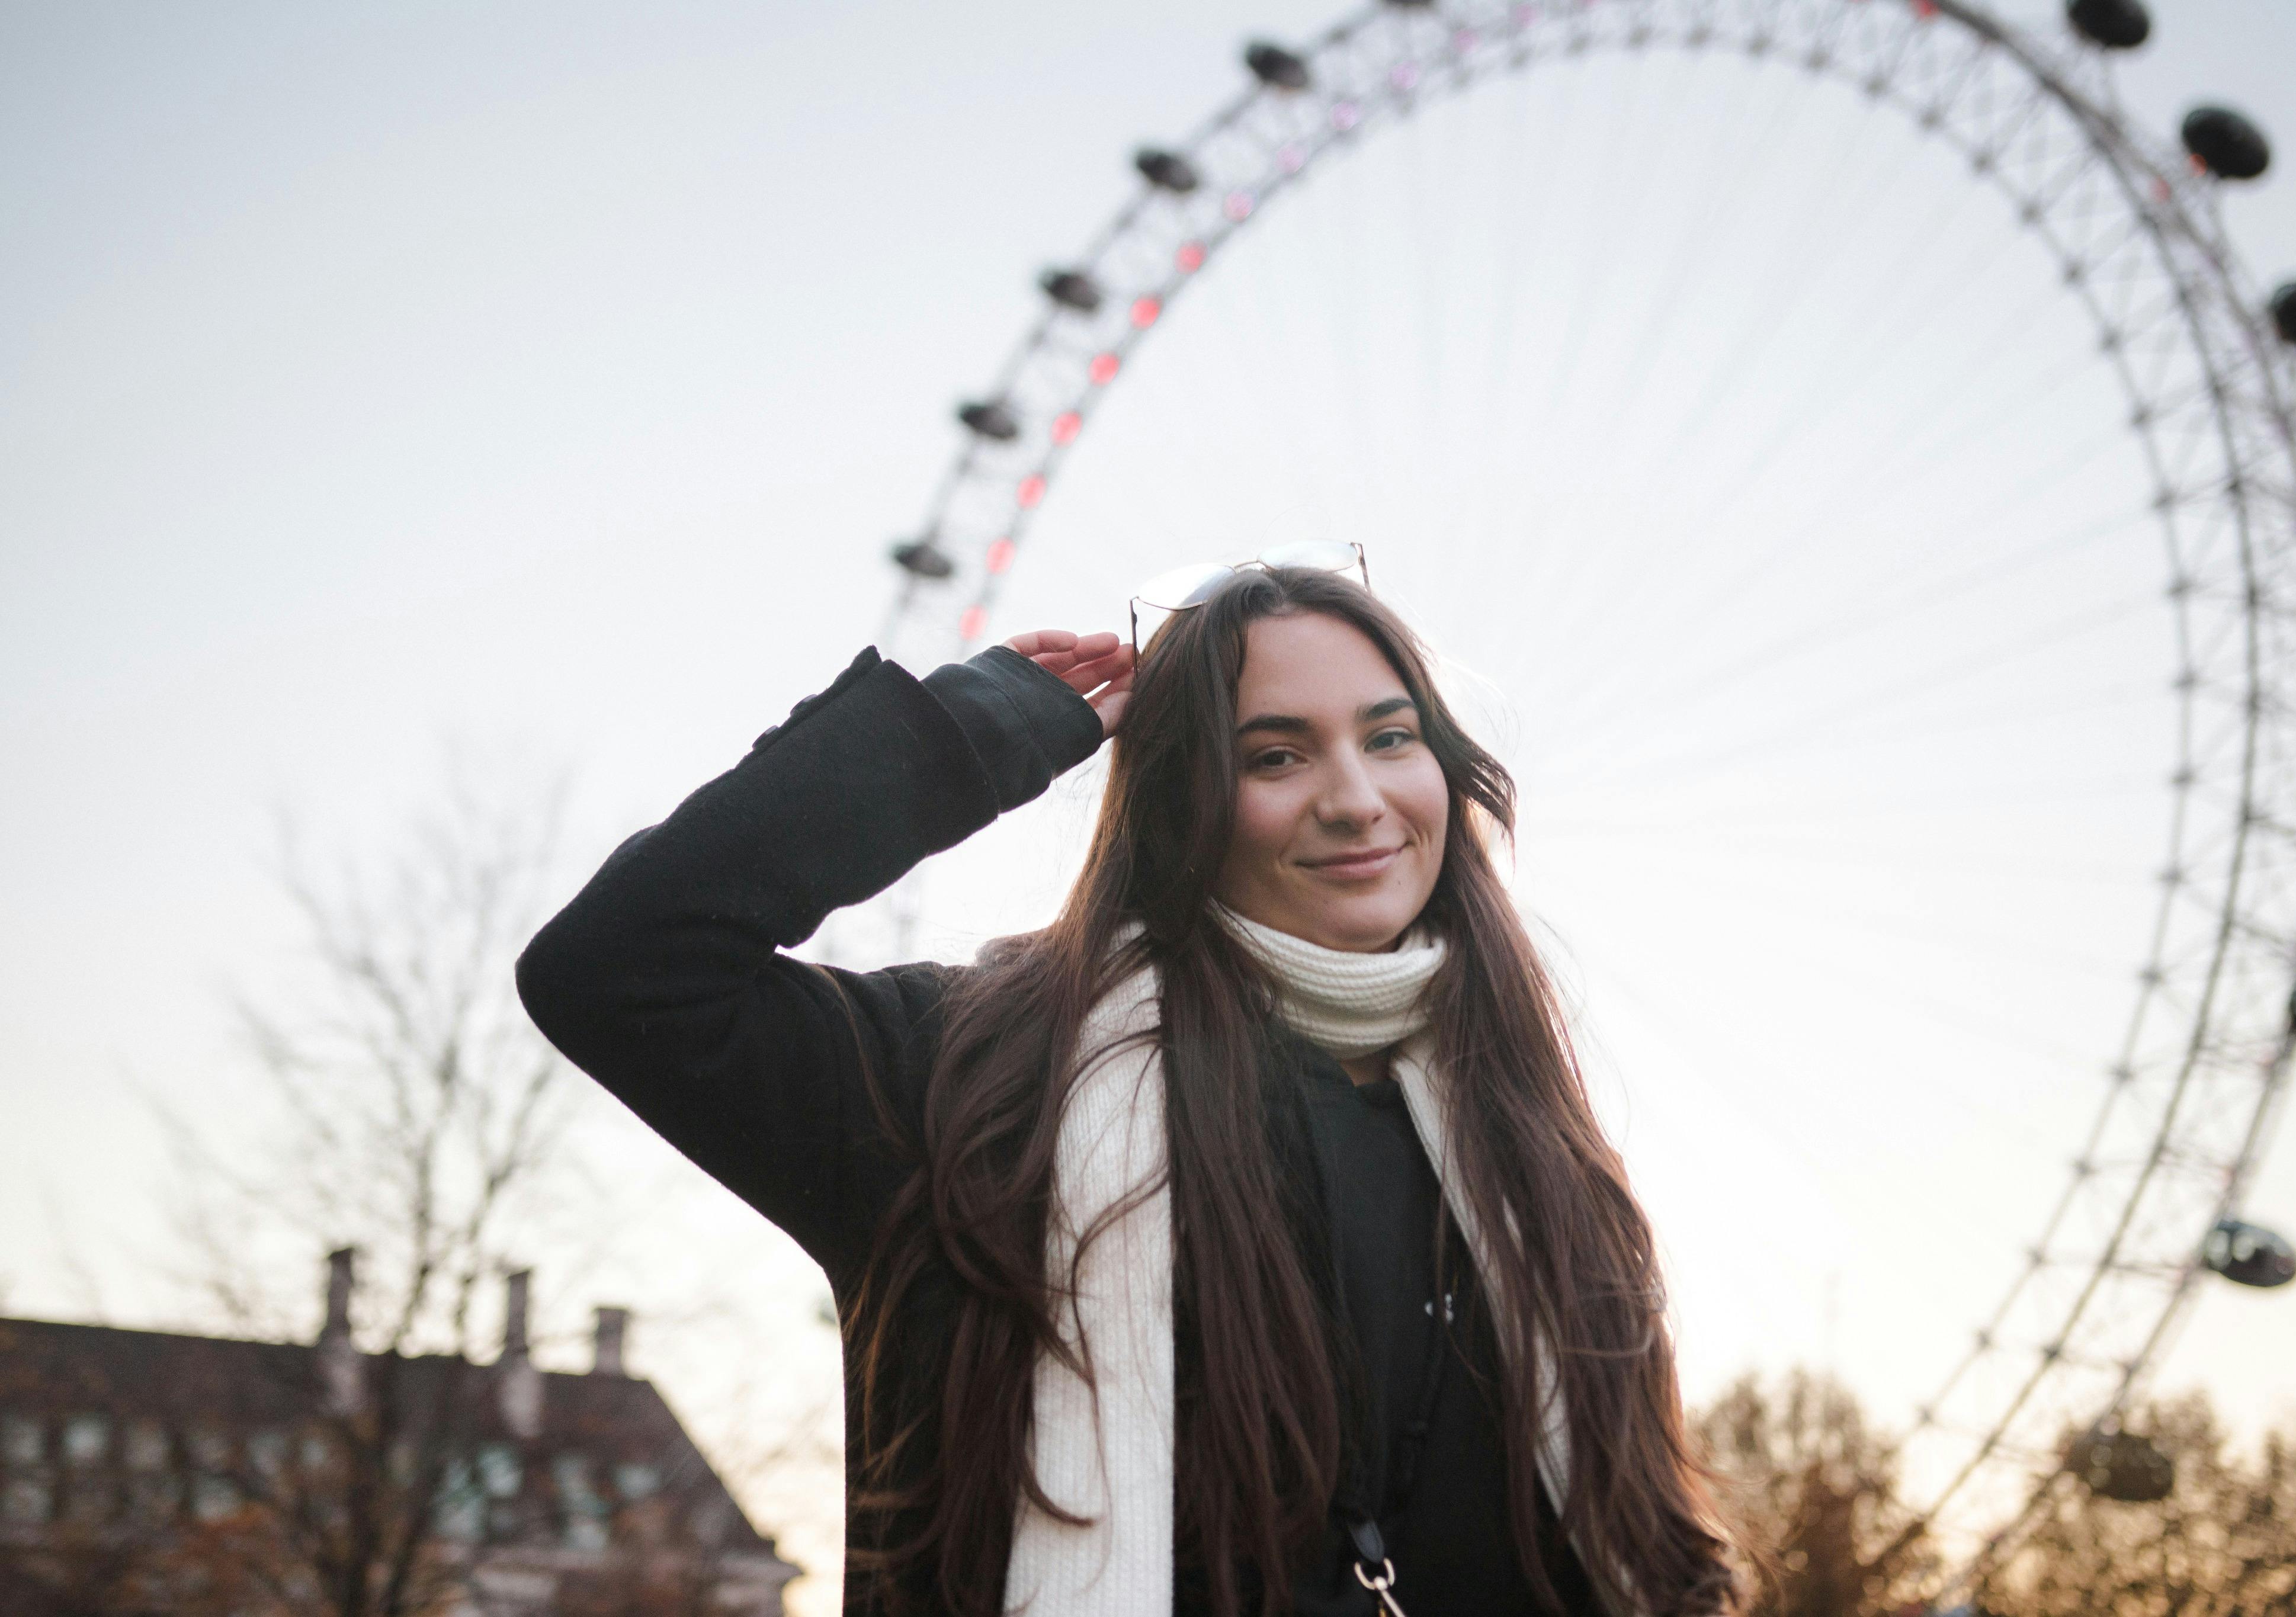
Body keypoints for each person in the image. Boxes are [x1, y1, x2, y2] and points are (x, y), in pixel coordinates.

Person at [517, 564, 1739, 1617]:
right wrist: (975, 732)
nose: (1355, 799)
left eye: (1388, 736)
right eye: (1274, 753)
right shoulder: (974, 1091)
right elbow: (621, 970)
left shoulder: (1542, 1154)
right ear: (1182, 801)